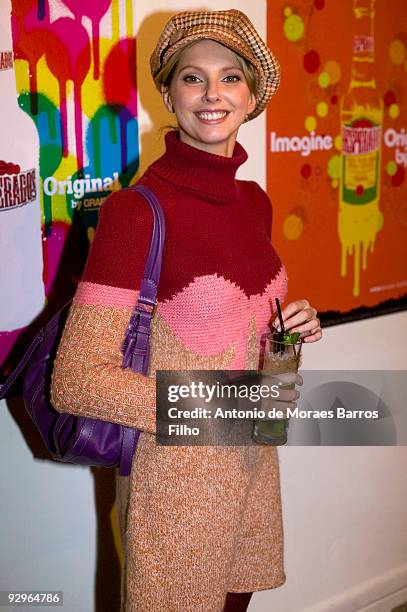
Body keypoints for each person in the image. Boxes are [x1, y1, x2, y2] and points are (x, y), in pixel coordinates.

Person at [50, 8, 322, 612]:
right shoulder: (136, 212)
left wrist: (290, 334)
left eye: (230, 77)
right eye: (192, 77)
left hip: (254, 474)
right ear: (168, 92)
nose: (212, 94)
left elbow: (241, 346)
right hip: (178, 497)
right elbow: (75, 382)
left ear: (252, 96)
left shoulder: (255, 202)